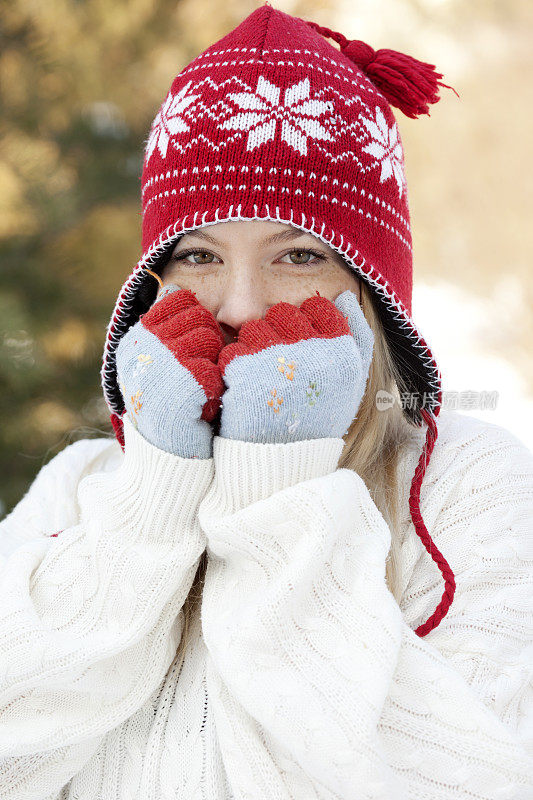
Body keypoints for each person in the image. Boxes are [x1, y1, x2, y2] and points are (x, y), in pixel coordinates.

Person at [1, 4, 531, 798]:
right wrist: (151, 503)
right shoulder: (80, 490)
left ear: (372, 289)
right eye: (199, 255)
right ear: (153, 281)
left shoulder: (471, 489)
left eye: (297, 254)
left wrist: (276, 484)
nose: (240, 305)